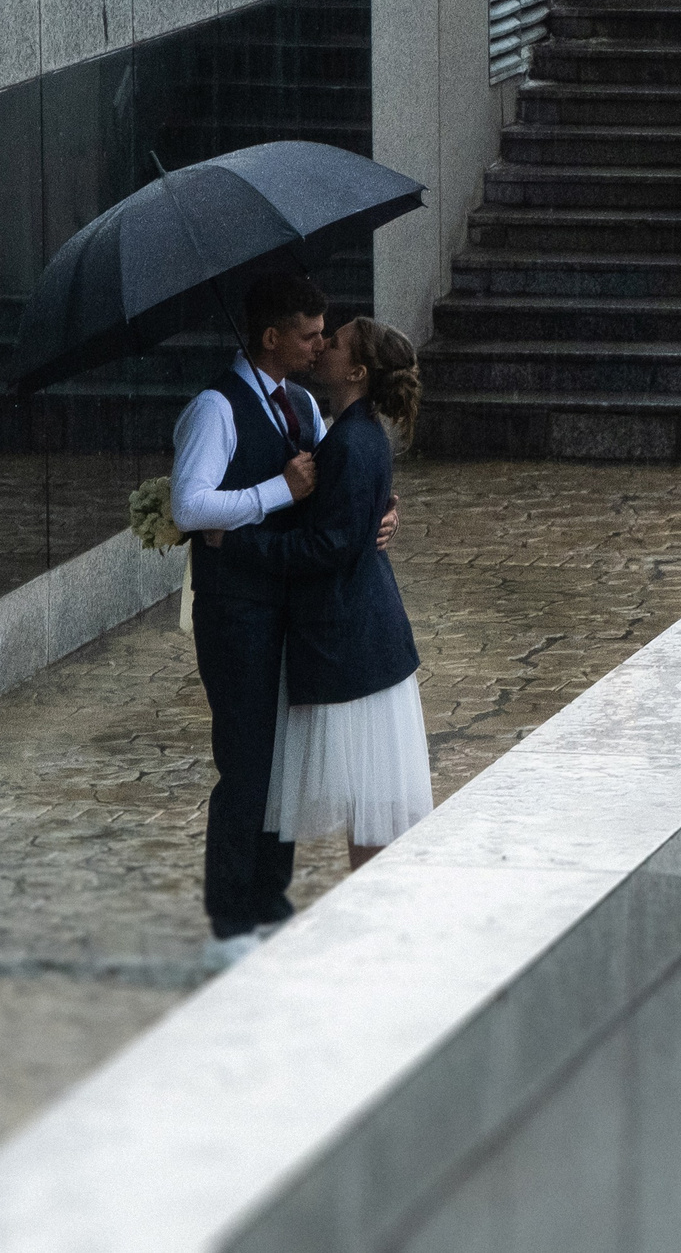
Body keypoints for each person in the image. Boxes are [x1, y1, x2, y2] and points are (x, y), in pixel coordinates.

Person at [208, 317, 433, 871]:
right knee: (368, 810)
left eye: (333, 342)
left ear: (356, 370)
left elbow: (324, 548)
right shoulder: (347, 430)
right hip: (360, 637)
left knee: (370, 815)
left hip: (353, 645)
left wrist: (235, 544)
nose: (322, 343)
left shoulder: (354, 440)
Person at [170, 272, 329, 973]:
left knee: (285, 762)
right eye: (308, 335)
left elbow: (328, 484)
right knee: (247, 763)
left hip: (292, 607)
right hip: (235, 614)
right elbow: (189, 507)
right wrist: (278, 490)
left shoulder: (303, 403)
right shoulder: (215, 408)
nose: (319, 346)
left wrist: (375, 511)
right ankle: (231, 918)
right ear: (271, 338)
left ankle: (271, 901)